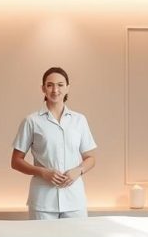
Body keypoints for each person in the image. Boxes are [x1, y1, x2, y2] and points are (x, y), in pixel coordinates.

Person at [11, 66, 97, 220]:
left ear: (67, 88)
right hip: (43, 201)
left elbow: (90, 158)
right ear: (43, 88)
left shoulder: (79, 120)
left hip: (74, 200)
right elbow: (16, 161)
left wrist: (78, 171)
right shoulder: (32, 121)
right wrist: (43, 172)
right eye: (50, 85)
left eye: (60, 85)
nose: (55, 90)